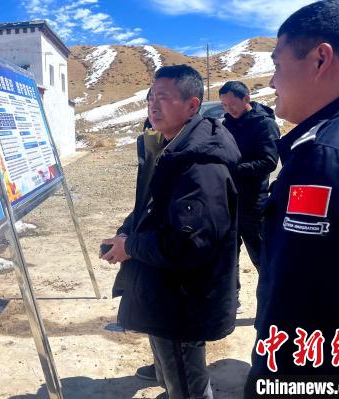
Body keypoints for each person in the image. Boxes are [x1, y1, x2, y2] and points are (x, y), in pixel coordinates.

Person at [246, 0, 339, 395]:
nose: (272, 82)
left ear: (320, 59)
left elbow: (306, 326)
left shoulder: (325, 162)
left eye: (277, 65)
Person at [101, 65, 240, 399]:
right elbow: (151, 205)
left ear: (192, 106)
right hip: (165, 286)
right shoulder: (170, 147)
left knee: (186, 378)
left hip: (182, 298)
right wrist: (125, 234)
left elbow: (188, 245)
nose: (153, 105)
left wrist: (131, 247)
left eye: (163, 98)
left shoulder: (199, 166)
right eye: (151, 97)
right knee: (172, 363)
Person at [219, 81, 280, 310]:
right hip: (229, 200)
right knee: (228, 254)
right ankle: (231, 301)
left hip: (254, 202)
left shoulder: (264, 124)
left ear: (246, 98)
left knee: (261, 255)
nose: (229, 109)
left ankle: (273, 302)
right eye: (224, 105)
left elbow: (269, 162)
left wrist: (235, 169)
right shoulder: (226, 124)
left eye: (232, 104)